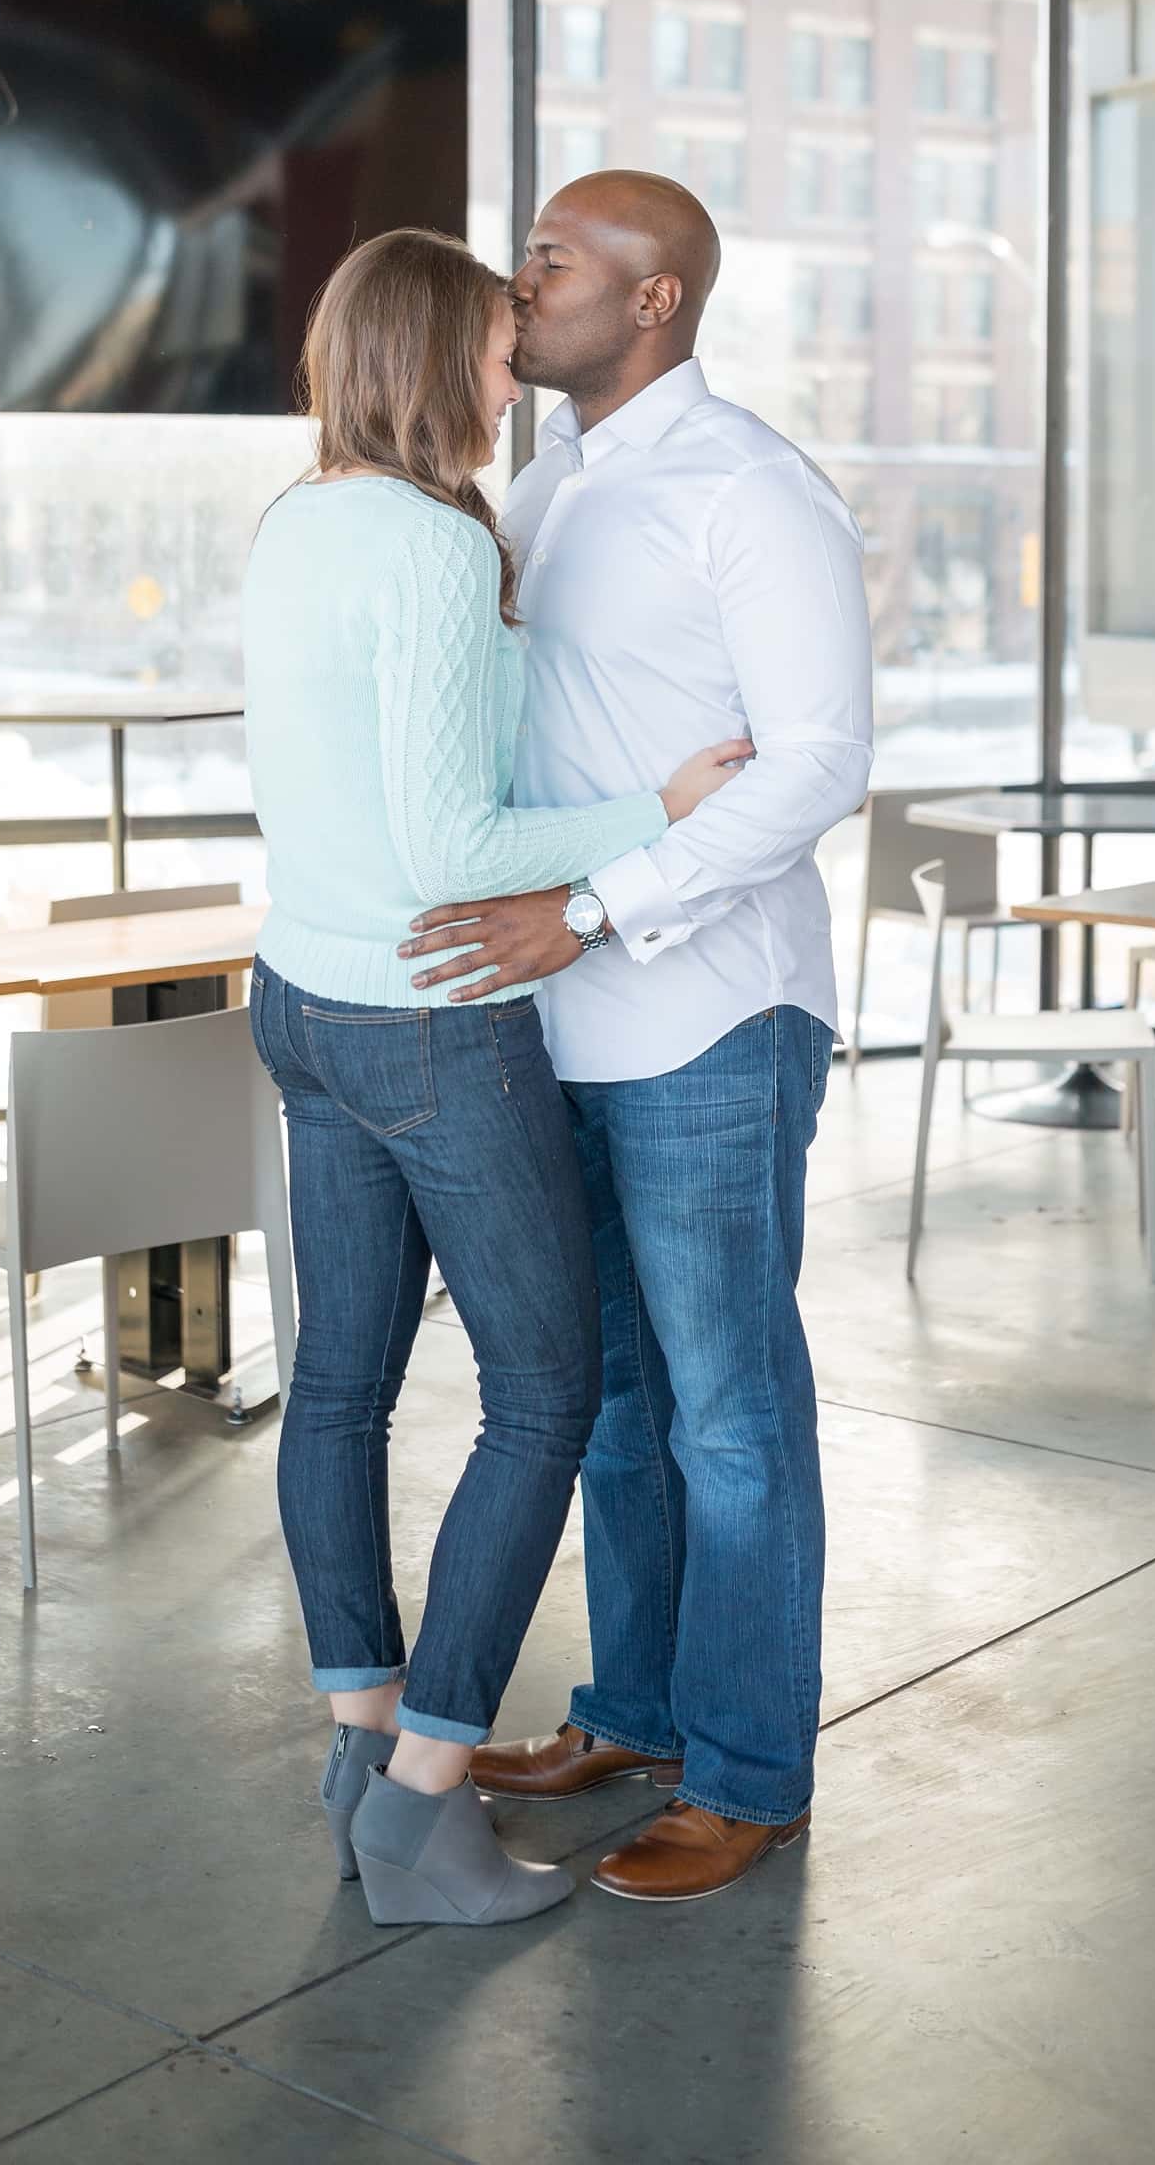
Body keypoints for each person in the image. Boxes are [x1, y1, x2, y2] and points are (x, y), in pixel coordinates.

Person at [241, 226, 748, 1930]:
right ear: (427, 361)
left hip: (302, 1003)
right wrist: (658, 816)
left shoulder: (297, 521)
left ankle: (360, 1746)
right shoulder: (433, 550)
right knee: (545, 1392)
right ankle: (428, 1808)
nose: (507, 367)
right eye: (488, 342)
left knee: (338, 1391)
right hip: (430, 1016)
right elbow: (454, 843)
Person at [399, 172, 874, 1903]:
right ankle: (640, 1712)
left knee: (731, 1415)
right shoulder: (542, 484)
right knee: (608, 1400)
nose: (514, 289)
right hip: (553, 1017)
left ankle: (749, 1776)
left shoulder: (750, 488)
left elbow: (820, 760)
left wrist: (596, 907)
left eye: (549, 262)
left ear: (654, 298)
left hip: (707, 1014)